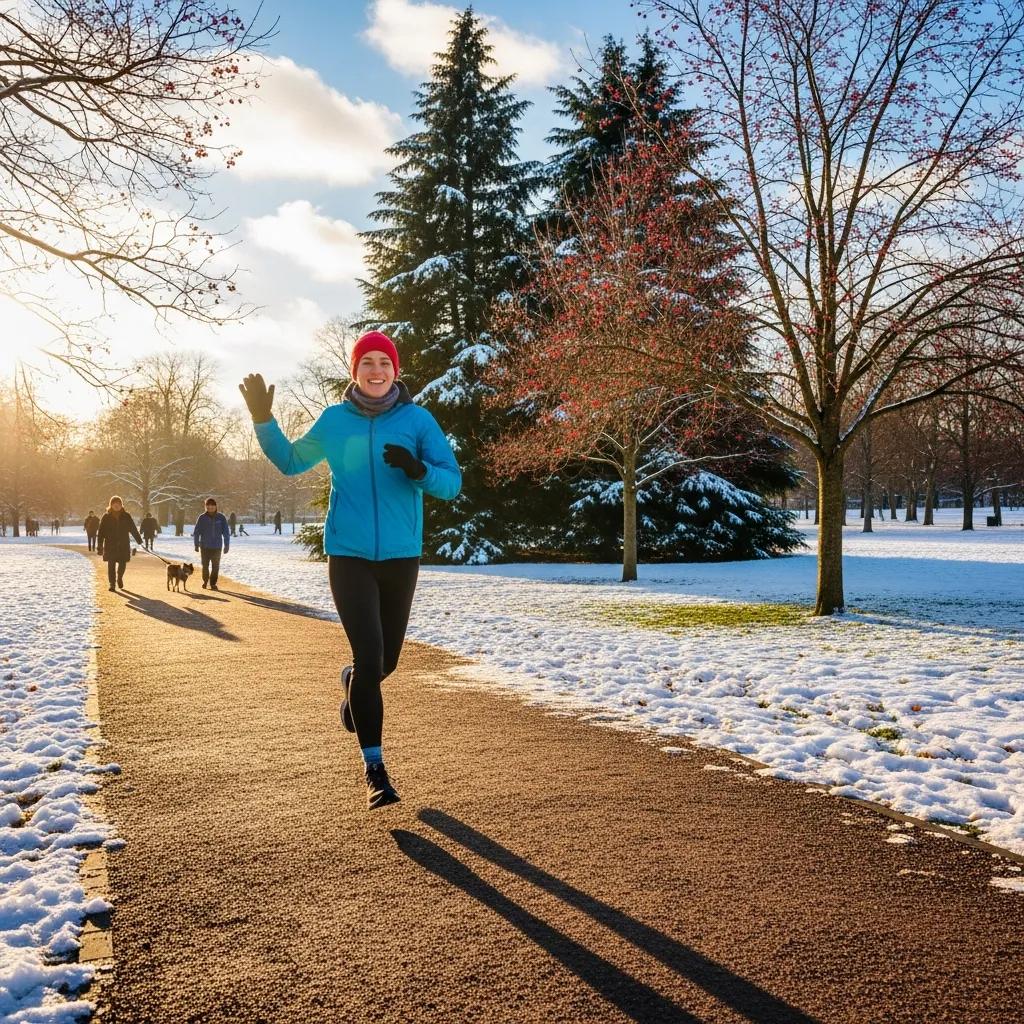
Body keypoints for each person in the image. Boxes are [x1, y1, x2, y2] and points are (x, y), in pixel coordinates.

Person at [240, 330, 461, 811]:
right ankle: (375, 770)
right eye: (367, 363)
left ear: (395, 371)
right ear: (354, 371)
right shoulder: (335, 420)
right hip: (349, 555)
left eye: (384, 362)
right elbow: (292, 461)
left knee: (385, 665)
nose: (376, 370)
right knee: (369, 655)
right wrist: (263, 420)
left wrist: (418, 469)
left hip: (401, 556)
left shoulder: (418, 421)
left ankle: (352, 683)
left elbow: (452, 483)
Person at [96, 496, 142, 592]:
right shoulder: (106, 517)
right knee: (111, 565)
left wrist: (139, 540)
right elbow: (101, 532)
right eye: (114, 504)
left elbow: (133, 529)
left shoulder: (126, 516)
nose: (117, 505)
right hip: (110, 545)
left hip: (123, 544)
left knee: (122, 564)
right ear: (111, 505)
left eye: (119, 504)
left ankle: (119, 577)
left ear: (121, 505)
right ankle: (112, 584)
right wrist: (100, 546)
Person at [193, 497, 230, 590]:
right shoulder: (202, 518)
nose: (210, 508)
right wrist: (196, 544)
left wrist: (227, 545)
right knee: (205, 566)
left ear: (215, 506)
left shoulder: (221, 518)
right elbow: (197, 532)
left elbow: (226, 532)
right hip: (204, 546)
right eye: (208, 506)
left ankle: (213, 583)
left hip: (217, 547)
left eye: (212, 506)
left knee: (215, 566)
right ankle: (205, 581)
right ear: (206, 507)